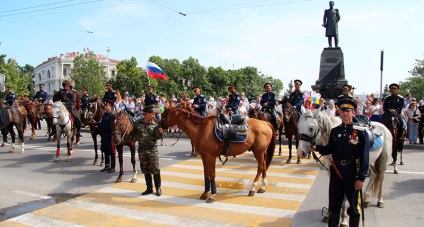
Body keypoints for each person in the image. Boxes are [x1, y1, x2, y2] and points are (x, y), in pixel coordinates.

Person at [309, 99, 369, 227]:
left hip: (352, 171)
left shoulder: (360, 131)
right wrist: (317, 148)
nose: (345, 113)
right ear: (339, 113)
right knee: (334, 205)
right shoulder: (335, 131)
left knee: (353, 207)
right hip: (336, 171)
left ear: (353, 112)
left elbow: (365, 156)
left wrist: (361, 177)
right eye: (342, 111)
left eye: (348, 111)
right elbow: (330, 148)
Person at [133, 105, 163, 196]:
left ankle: (158, 188)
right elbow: (132, 135)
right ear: (147, 114)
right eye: (152, 114)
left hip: (152, 150)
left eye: (155, 114)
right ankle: (149, 188)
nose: (154, 116)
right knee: (145, 169)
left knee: (155, 169)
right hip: (142, 150)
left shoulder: (155, 125)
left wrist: (160, 133)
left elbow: (156, 138)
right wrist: (121, 140)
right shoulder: (138, 123)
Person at [90, 100, 116, 173]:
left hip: (109, 134)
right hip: (104, 134)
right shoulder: (104, 115)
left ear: (110, 106)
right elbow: (102, 124)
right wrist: (96, 123)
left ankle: (113, 167)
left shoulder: (112, 115)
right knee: (104, 149)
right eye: (104, 106)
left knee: (111, 150)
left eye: (106, 106)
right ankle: (107, 165)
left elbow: (113, 126)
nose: (105, 107)